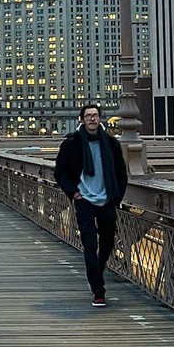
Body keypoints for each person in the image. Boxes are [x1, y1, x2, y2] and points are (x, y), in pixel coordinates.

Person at [54, 103, 128, 307]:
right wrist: (74, 192)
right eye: (88, 116)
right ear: (82, 119)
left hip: (107, 200)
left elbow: (122, 173)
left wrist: (116, 197)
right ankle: (98, 291)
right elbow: (59, 172)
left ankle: (97, 270)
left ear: (100, 119)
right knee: (89, 245)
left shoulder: (111, 144)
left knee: (107, 244)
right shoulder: (72, 143)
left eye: (95, 115)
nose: (92, 119)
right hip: (84, 200)